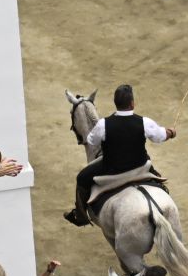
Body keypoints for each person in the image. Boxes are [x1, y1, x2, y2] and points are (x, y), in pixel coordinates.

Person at [66, 84, 175, 227]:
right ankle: (163, 191)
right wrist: (171, 133)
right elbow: (160, 136)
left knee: (81, 178)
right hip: (139, 165)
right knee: (155, 174)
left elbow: (91, 140)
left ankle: (80, 216)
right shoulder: (144, 122)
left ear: (116, 104)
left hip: (111, 168)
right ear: (132, 103)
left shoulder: (103, 124)